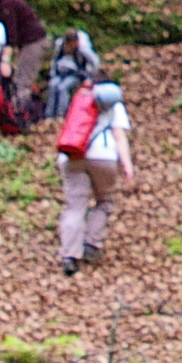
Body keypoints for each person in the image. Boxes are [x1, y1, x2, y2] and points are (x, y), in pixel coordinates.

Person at [57, 79, 134, 276]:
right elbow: (119, 136)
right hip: (104, 156)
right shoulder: (115, 105)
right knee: (105, 201)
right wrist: (126, 164)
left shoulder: (79, 101)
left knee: (75, 207)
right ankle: (92, 243)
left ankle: (69, 256)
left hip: (72, 155)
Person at [0, 0, 49, 111]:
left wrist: (5, 61)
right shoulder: (6, 1)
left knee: (22, 82)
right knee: (20, 79)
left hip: (34, 43)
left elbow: (11, 35)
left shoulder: (7, 4)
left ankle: (22, 115)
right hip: (27, 44)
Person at [45, 28, 102, 123]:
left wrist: (89, 78)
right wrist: (53, 75)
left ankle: (60, 115)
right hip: (61, 73)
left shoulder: (83, 49)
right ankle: (49, 115)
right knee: (53, 86)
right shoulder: (60, 46)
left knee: (62, 88)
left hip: (77, 75)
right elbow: (54, 61)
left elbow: (95, 62)